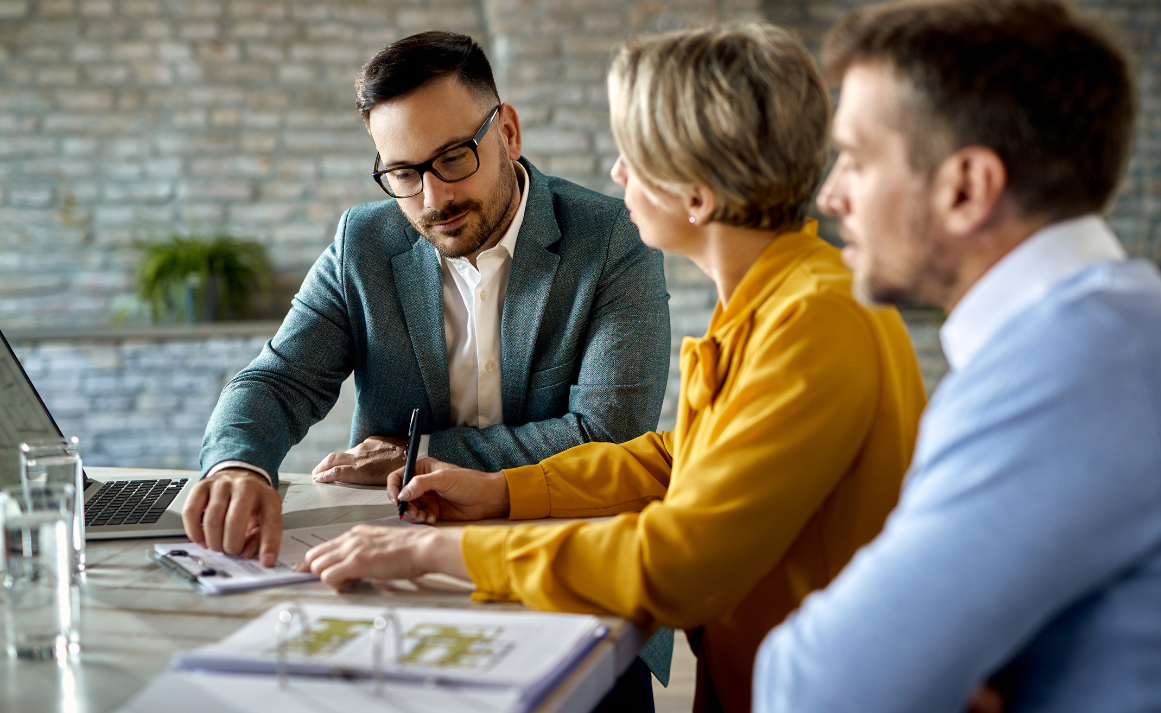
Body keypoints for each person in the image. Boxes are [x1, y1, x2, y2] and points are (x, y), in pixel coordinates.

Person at [299, 24, 927, 713]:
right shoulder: (773, 296)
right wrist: (501, 490)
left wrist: (433, 556)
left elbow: (678, 561)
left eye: (633, 156)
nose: (616, 174)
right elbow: (682, 458)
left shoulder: (814, 318)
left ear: (696, 196)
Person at [753, 1, 1161, 711]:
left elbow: (816, 688)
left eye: (857, 160)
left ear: (966, 188)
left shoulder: (1071, 368)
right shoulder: (1113, 332)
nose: (830, 195)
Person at [181, 31, 669, 567]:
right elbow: (277, 381)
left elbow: (610, 437)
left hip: (572, 554)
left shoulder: (611, 238)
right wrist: (237, 467)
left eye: (454, 158)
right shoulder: (363, 243)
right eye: (403, 173)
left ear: (507, 133)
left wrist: (424, 454)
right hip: (399, 552)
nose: (434, 198)